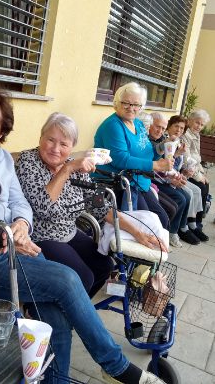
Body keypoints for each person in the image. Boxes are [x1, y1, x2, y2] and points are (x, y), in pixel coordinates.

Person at [0, 89, 164, 384]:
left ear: (1, 132)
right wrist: (4, 235)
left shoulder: (1, 158)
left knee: (54, 310)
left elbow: (20, 203)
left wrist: (22, 224)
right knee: (67, 280)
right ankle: (116, 366)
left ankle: (56, 380)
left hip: (16, 248)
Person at [15, 112, 164, 297]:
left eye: (63, 144)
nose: (55, 148)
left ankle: (71, 308)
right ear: (40, 138)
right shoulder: (29, 161)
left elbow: (100, 207)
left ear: (72, 147)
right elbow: (43, 208)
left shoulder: (74, 166)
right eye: (50, 140)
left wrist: (138, 232)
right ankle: (56, 308)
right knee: (84, 277)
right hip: (39, 237)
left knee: (104, 266)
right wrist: (67, 170)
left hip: (69, 232)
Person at [93, 82, 172, 226]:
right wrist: (154, 165)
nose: (131, 108)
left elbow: (148, 153)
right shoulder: (113, 125)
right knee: (149, 224)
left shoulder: (138, 124)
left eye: (136, 104)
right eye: (126, 103)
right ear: (117, 103)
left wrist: (163, 149)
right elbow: (120, 159)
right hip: (120, 185)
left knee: (162, 218)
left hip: (139, 183)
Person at [148, 113, 203, 246]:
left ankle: (186, 226)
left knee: (195, 191)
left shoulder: (173, 142)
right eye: (176, 126)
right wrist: (172, 178)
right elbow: (157, 167)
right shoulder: (161, 143)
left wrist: (183, 173)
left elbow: (171, 166)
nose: (178, 130)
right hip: (156, 180)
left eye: (182, 128)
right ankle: (173, 231)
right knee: (182, 198)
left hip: (165, 178)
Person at [182, 109, 212, 227]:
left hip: (193, 169)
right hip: (185, 170)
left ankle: (198, 219)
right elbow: (187, 160)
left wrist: (202, 173)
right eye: (197, 122)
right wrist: (198, 176)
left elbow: (197, 158)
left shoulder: (196, 135)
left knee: (206, 184)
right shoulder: (185, 135)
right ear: (190, 121)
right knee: (201, 187)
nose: (199, 126)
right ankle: (193, 221)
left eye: (202, 124)